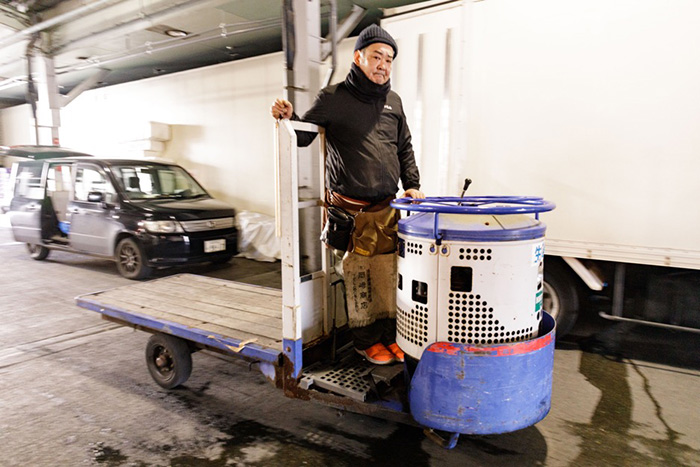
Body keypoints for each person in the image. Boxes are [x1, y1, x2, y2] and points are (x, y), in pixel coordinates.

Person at [271, 24, 424, 365]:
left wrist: (412, 182)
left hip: (388, 210)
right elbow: (303, 136)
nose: (383, 64)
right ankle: (364, 341)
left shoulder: (394, 101)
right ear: (358, 57)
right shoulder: (333, 98)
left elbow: (404, 147)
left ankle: (389, 336)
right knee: (359, 279)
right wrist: (287, 119)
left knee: (389, 276)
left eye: (389, 59)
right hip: (352, 214)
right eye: (376, 56)